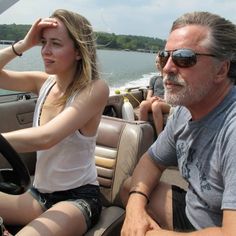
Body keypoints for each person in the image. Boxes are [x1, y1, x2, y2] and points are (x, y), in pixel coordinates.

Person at [120, 11, 236, 235]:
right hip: (194, 211)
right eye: (165, 56)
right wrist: (135, 208)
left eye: (184, 58)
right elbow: (151, 162)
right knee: (129, 188)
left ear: (221, 69)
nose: (167, 68)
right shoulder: (184, 111)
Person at [0, 9, 109, 236]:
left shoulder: (95, 89)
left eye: (56, 44)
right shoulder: (44, 83)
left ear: (79, 52)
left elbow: (47, 137)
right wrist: (22, 44)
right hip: (38, 195)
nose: (45, 51)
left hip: (78, 199)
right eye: (43, 43)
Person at [139, 56, 171, 135]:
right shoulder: (154, 79)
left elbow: (174, 97)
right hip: (155, 102)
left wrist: (162, 100)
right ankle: (143, 134)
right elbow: (148, 97)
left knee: (156, 105)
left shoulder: (171, 78)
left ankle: (159, 136)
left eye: (159, 62)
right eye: (156, 62)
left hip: (168, 103)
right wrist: (152, 99)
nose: (157, 64)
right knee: (143, 104)